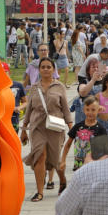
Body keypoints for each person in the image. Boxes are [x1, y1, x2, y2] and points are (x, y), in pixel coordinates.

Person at [22, 56, 71, 201]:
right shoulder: (35, 87)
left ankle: (62, 180)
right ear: (39, 69)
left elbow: (66, 109)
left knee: (56, 160)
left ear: (53, 69)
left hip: (55, 127)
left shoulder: (59, 87)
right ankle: (40, 191)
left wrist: (71, 126)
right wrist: (24, 129)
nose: (45, 69)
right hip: (37, 127)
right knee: (39, 156)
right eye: (43, 67)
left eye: (48, 67)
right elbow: (29, 109)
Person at [66, 95, 108, 170]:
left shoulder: (101, 129)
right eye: (87, 109)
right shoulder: (78, 126)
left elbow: (104, 151)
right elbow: (67, 144)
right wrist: (63, 160)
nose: (90, 112)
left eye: (93, 110)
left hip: (94, 167)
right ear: (83, 110)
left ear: (98, 111)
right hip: (79, 166)